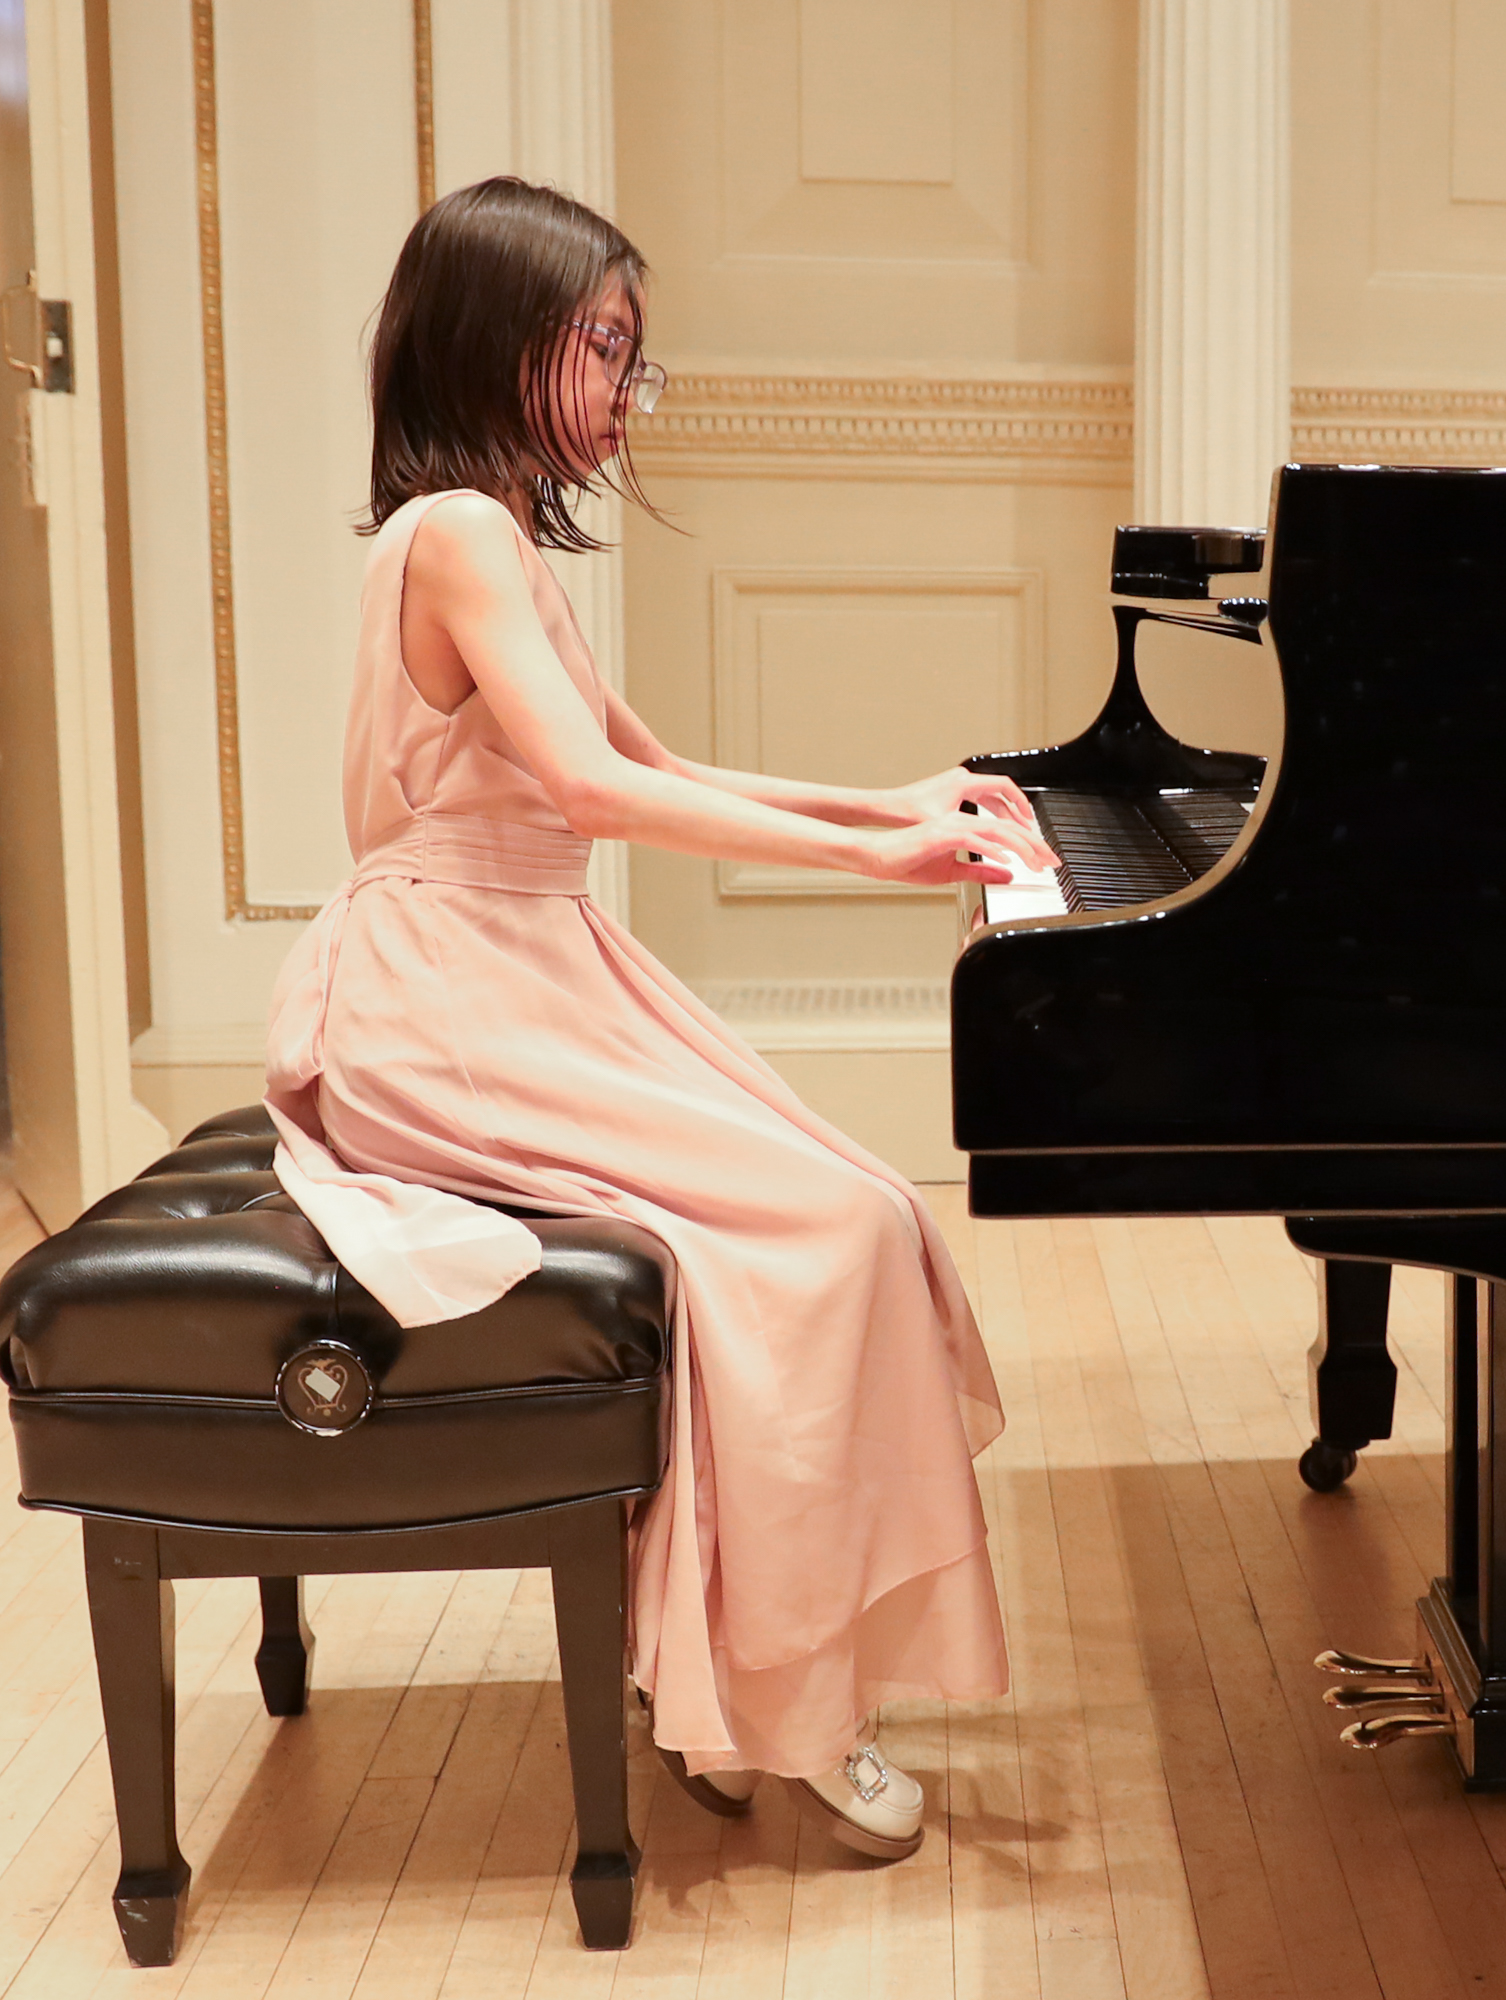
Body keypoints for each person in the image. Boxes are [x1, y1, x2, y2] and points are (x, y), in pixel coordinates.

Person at [262, 176, 1057, 1862]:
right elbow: (591, 793)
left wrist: (888, 801)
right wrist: (883, 858)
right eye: (606, 346)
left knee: (842, 1214)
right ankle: (783, 1697)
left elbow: (653, 765)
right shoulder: (457, 535)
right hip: (450, 998)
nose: (631, 387)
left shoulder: (479, 532)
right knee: (830, 1231)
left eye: (635, 352)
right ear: (502, 340)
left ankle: (733, 1675)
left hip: (513, 971)